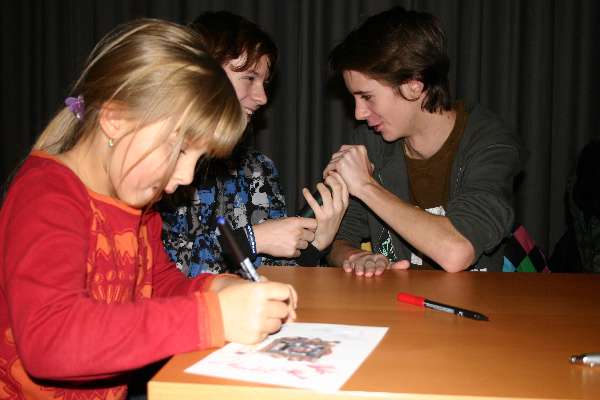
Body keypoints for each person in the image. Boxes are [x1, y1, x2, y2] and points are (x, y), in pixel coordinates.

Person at [0, 19, 297, 399]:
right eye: (179, 150)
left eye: (198, 158)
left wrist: (219, 287)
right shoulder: (47, 195)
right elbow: (51, 340)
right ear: (115, 120)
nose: (186, 176)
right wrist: (214, 316)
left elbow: (158, 286)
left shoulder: (139, 205)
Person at [324, 6, 524, 276]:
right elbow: (336, 239)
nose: (359, 113)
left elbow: (457, 251)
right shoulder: (371, 141)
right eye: (354, 99)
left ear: (414, 85)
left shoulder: (490, 143)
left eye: (367, 97)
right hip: (398, 299)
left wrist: (365, 186)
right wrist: (355, 256)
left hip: (473, 299)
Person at [159, 11, 348, 277]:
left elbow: (272, 274)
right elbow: (162, 272)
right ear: (202, 75)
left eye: (264, 82)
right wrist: (250, 239)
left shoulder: (259, 168)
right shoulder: (159, 161)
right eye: (249, 78)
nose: (262, 97)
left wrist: (314, 247)